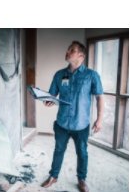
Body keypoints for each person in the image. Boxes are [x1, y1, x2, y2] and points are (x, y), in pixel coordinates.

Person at [40, 41, 104, 192]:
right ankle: (53, 176)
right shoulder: (59, 74)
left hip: (81, 125)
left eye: (72, 50)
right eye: (68, 49)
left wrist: (99, 119)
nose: (67, 51)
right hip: (62, 123)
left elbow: (100, 98)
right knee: (58, 150)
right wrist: (48, 100)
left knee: (82, 152)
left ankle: (82, 179)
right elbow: (52, 95)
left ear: (81, 55)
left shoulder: (91, 76)